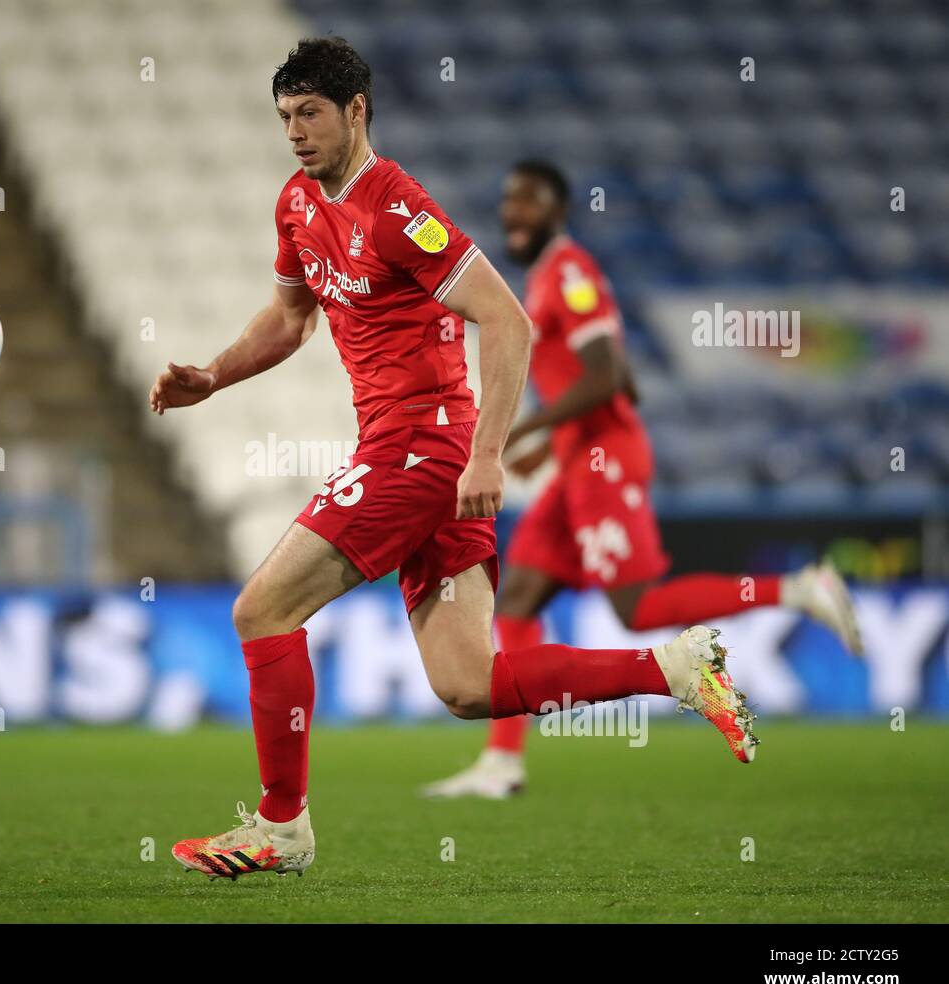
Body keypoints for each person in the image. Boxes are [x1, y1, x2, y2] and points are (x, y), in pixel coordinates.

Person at [148, 40, 757, 880]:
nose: (294, 131)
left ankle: (281, 829)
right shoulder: (295, 203)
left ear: (356, 110)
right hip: (406, 450)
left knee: (261, 612)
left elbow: (508, 320)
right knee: (469, 684)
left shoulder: (397, 206)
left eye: (311, 114)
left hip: (422, 446)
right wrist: (213, 375)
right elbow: (291, 320)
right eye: (285, 116)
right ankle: (677, 667)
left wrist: (487, 456)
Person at [421, 161, 862, 801]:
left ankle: (798, 587)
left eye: (528, 200)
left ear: (558, 209)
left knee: (638, 609)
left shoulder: (570, 272)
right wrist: (553, 447)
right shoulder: (545, 278)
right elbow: (622, 381)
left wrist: (525, 430)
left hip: (607, 460)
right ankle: (503, 762)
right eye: (508, 200)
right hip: (578, 462)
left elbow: (609, 374)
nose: (513, 212)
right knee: (517, 597)